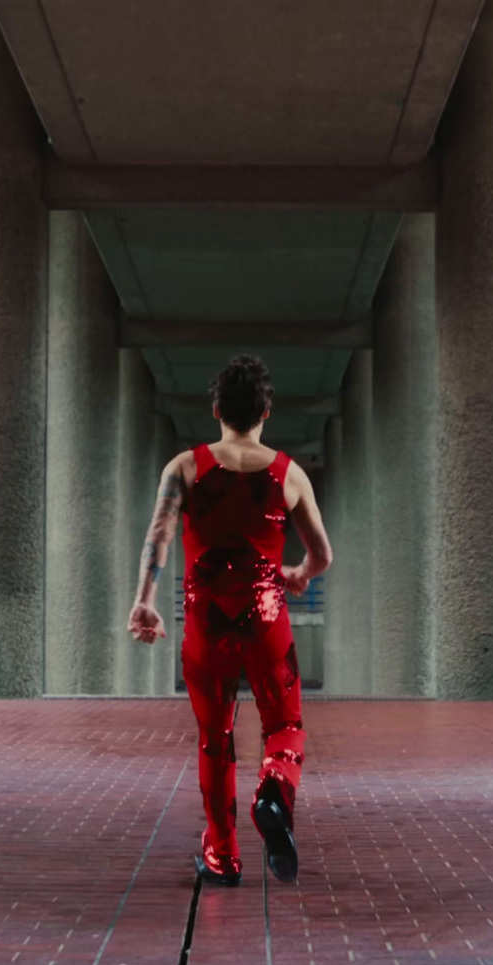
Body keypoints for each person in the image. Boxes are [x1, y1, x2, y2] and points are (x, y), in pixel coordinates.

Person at [126, 354, 332, 886]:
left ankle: (222, 857)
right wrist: (299, 572)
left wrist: (145, 597)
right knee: (284, 725)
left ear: (216, 409)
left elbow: (160, 535)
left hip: (206, 624)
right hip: (267, 619)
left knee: (215, 739)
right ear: (266, 411)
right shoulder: (289, 475)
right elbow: (322, 554)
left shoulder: (185, 468)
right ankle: (273, 790)